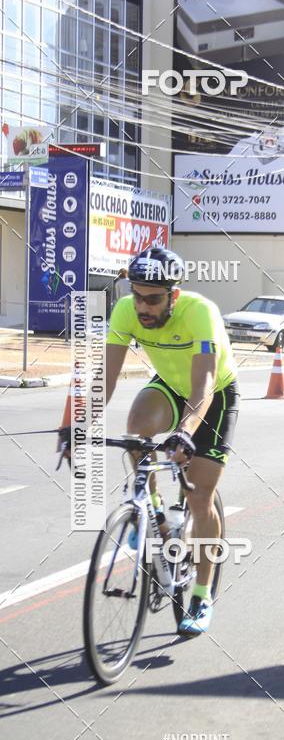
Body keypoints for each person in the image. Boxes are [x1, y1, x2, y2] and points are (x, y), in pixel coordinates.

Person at [60, 247, 240, 637]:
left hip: (214, 395)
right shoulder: (126, 310)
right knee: (135, 427)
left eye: (153, 299)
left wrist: (185, 433)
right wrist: (75, 425)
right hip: (170, 387)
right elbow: (104, 378)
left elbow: (204, 385)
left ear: (173, 296)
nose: (143, 305)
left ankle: (201, 594)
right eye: (137, 294)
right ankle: (150, 510)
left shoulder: (200, 312)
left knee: (199, 497)